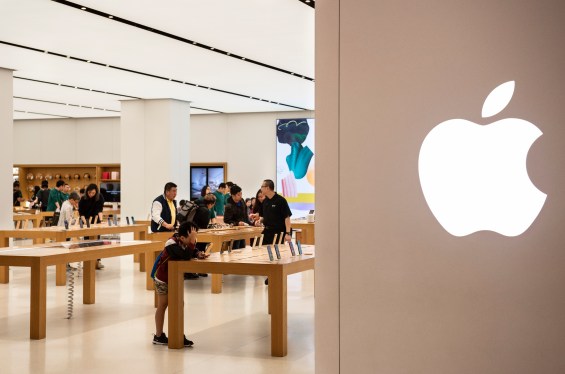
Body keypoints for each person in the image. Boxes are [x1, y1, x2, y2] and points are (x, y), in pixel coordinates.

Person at [152, 221, 209, 347]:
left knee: (178, 304)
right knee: (163, 304)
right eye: (192, 238)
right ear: (182, 237)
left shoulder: (184, 241)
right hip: (163, 278)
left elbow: (191, 251)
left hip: (175, 278)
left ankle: (177, 333)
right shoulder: (171, 243)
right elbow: (185, 254)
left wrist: (198, 253)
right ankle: (158, 335)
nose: (193, 240)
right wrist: (193, 245)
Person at [257, 180, 292, 285]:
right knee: (265, 253)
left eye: (262, 186)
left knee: (276, 254)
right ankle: (269, 274)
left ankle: (276, 275)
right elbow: (265, 216)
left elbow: (287, 218)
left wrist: (288, 233)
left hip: (278, 232)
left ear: (267, 188)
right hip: (267, 231)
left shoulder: (281, 201)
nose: (261, 188)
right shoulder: (266, 201)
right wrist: (260, 220)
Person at [79, 184, 105, 269]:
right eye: (89, 193)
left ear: (96, 192)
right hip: (86, 221)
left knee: (97, 241)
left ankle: (97, 261)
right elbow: (81, 213)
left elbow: (100, 210)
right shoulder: (83, 199)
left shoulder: (99, 197)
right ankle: (87, 261)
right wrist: (85, 223)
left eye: (93, 193)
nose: (91, 194)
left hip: (96, 221)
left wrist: (101, 221)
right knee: (87, 241)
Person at [224, 184, 251, 249]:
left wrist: (250, 223)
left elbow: (245, 215)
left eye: (241, 194)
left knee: (242, 248)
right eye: (238, 195)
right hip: (234, 231)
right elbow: (226, 220)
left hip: (242, 229)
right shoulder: (229, 206)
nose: (241, 196)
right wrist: (237, 223)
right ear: (233, 195)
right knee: (235, 249)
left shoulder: (242, 201)